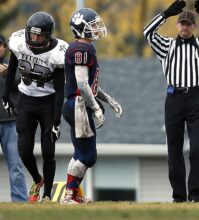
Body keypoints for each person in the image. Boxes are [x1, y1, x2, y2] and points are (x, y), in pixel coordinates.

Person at [144, 0, 199, 202]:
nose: (184, 27)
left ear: (194, 26)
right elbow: (148, 33)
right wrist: (165, 14)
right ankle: (179, 196)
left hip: (196, 99)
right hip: (173, 99)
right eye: (181, 23)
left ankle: (195, 194)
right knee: (174, 149)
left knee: (195, 148)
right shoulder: (167, 46)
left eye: (188, 24)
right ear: (177, 25)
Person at [2, 12, 67, 202]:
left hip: (48, 101)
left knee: (48, 151)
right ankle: (38, 180)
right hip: (26, 100)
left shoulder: (57, 53)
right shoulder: (19, 42)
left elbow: (60, 89)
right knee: (24, 150)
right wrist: (6, 96)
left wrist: (56, 120)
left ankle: (47, 195)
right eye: (33, 34)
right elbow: (12, 67)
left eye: (40, 35)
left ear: (48, 35)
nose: (35, 38)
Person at [61, 8, 122, 204]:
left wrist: (109, 100)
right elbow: (82, 83)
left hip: (75, 103)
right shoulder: (81, 49)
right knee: (88, 156)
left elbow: (90, 85)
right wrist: (96, 108)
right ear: (81, 29)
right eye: (92, 25)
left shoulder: (86, 48)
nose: (97, 28)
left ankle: (73, 194)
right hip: (79, 105)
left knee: (80, 153)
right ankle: (69, 194)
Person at [0, 33, 28, 202]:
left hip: (11, 122)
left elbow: (25, 86)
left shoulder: (14, 65)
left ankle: (19, 201)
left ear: (5, 47)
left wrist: (7, 75)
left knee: (15, 166)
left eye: (1, 44)